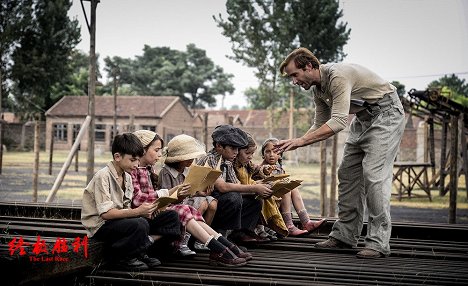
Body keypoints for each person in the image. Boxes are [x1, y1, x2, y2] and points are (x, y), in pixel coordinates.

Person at [276, 47, 405, 258]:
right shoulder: (318, 89)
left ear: (308, 66)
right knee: (347, 173)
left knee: (374, 175)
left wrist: (301, 141)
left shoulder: (337, 76)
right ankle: (345, 236)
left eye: (294, 75)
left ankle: (378, 242)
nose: (294, 81)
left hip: (386, 115)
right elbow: (320, 124)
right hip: (363, 118)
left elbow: (337, 122)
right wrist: (296, 142)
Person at [131, 130, 251, 266]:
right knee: (184, 210)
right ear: (142, 150)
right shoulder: (135, 171)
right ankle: (219, 249)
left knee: (188, 209)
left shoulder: (147, 169)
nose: (159, 154)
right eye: (157, 150)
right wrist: (172, 191)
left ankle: (224, 246)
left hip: (153, 211)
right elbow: (138, 200)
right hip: (144, 215)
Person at [81, 133, 164, 271]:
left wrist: (144, 212)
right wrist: (137, 212)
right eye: (132, 160)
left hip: (117, 221)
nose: (137, 164)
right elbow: (105, 214)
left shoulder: (127, 177)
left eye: (138, 160)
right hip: (100, 226)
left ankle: (138, 252)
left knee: (146, 220)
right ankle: (122, 257)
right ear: (117, 157)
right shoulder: (103, 176)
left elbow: (126, 207)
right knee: (139, 223)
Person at [197, 125, 272, 244]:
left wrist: (259, 189)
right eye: (233, 148)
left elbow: (236, 184)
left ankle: (240, 233)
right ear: (219, 146)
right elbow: (223, 187)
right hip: (206, 203)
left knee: (255, 200)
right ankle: (221, 237)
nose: (236, 153)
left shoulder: (227, 160)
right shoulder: (211, 159)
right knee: (233, 197)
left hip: (219, 202)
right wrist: (254, 188)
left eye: (238, 149)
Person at [159, 134, 218, 252]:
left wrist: (201, 193)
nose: (191, 160)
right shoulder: (166, 173)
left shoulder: (187, 170)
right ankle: (183, 239)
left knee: (212, 202)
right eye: (188, 157)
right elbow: (167, 197)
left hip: (187, 198)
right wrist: (184, 195)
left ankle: (200, 239)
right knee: (201, 205)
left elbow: (191, 191)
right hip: (174, 203)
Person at [256, 138, 326, 237]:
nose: (271, 154)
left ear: (280, 154)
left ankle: (306, 222)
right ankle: (289, 225)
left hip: (278, 202)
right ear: (263, 154)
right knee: (286, 189)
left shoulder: (279, 169)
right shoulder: (260, 169)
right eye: (268, 151)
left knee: (293, 187)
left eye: (275, 151)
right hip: (268, 203)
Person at [233, 133, 287, 241]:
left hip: (248, 190)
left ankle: (252, 229)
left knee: (265, 195)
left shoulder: (247, 163)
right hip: (238, 194)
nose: (250, 156)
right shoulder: (233, 165)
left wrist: (265, 170)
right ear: (237, 151)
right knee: (258, 199)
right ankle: (245, 231)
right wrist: (256, 187)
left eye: (252, 153)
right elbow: (235, 186)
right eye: (247, 153)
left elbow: (256, 168)